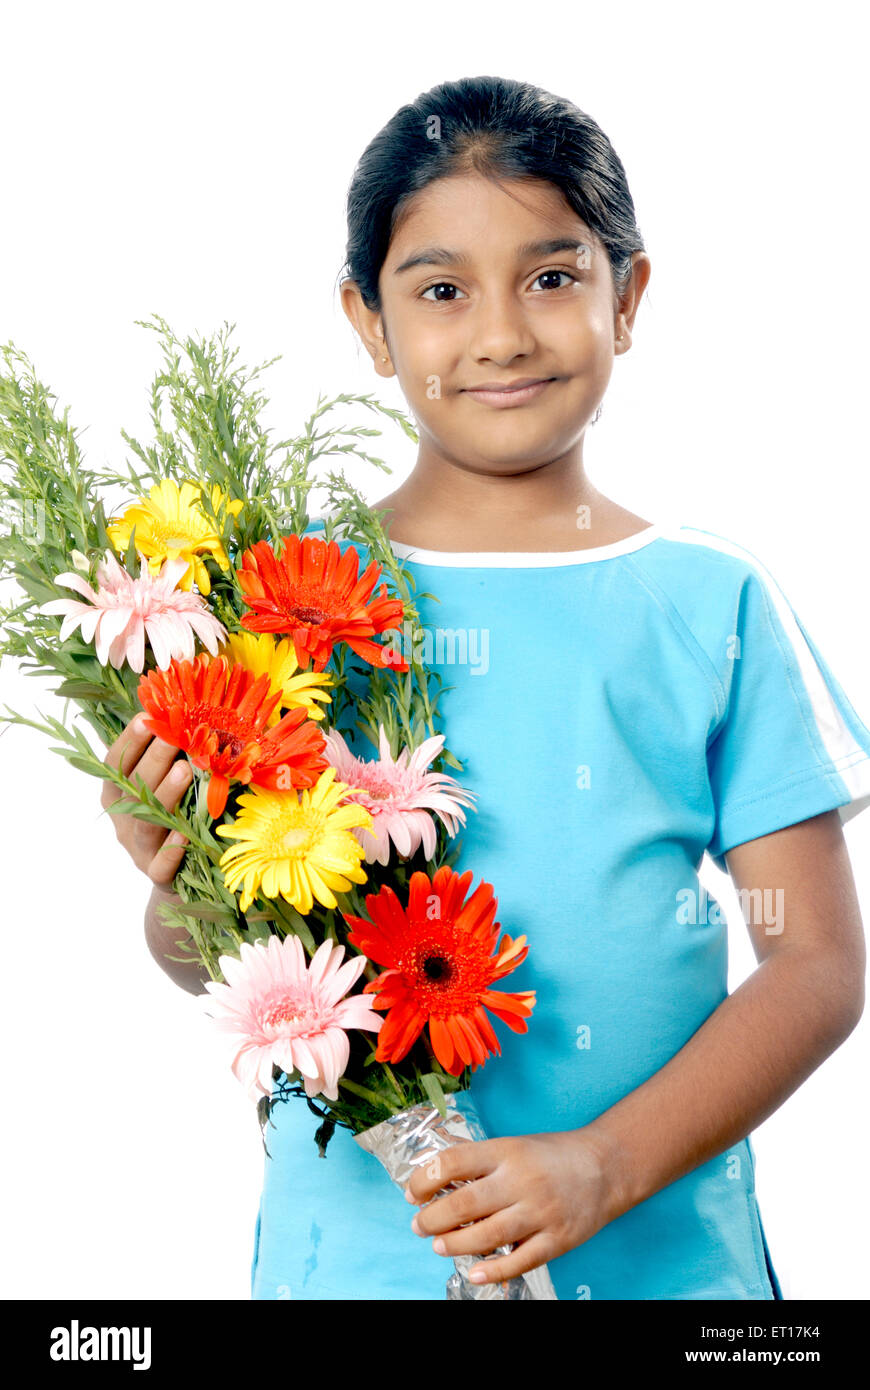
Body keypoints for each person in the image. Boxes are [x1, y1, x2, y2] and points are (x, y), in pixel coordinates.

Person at [103, 75, 870, 1300]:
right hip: (360, 1264)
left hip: (665, 1266)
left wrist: (602, 1167)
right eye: (442, 289)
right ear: (369, 320)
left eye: (554, 276)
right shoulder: (276, 607)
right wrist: (185, 882)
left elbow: (818, 966)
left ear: (630, 298)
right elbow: (226, 970)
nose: (502, 332)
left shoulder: (711, 600)